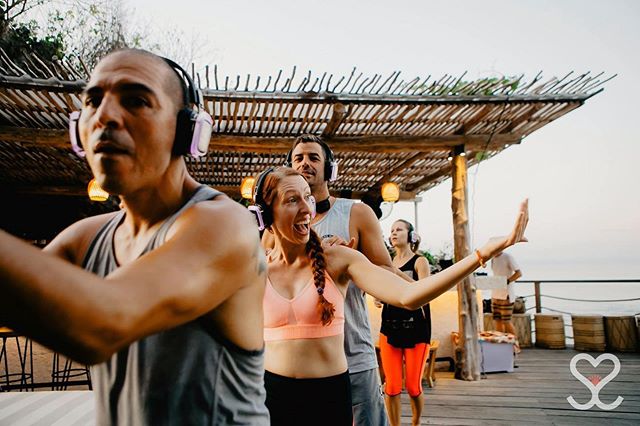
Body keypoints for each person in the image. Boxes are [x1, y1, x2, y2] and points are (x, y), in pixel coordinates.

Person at [0, 49, 270, 425]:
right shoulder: (85, 238)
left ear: (188, 132)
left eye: (136, 101)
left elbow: (100, 323)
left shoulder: (225, 224)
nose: (104, 117)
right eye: (93, 101)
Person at [253, 166, 528, 425]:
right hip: (271, 395)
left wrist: (481, 255)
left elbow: (410, 295)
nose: (306, 209)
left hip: (328, 395)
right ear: (266, 214)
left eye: (308, 197)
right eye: (292, 200)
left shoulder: (337, 258)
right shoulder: (255, 268)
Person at [263, 134, 408, 425]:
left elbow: (387, 275)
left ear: (330, 168)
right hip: (287, 376)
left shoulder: (357, 212)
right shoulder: (271, 234)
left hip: (353, 357)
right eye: (298, 158)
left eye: (313, 157)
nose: (305, 163)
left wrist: (352, 263)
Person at [381, 220, 431, 426]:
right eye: (391, 230)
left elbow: (426, 292)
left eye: (399, 229)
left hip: (417, 330)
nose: (394, 233)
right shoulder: (388, 262)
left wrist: (397, 274)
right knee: (391, 387)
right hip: (389, 328)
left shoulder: (420, 262)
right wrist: (379, 296)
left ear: (410, 236)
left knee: (412, 386)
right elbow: (386, 291)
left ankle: (415, 423)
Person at [490, 251, 523, 335]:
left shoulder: (507, 257)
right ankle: (501, 345)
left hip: (506, 295)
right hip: (495, 294)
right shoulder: (492, 258)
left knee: (506, 321)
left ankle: (515, 345)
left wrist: (507, 281)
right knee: (497, 320)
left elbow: (519, 273)